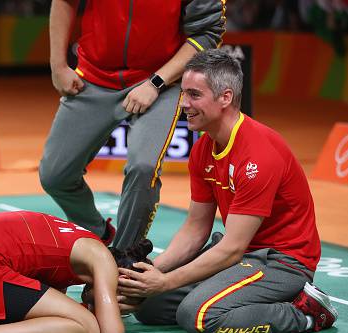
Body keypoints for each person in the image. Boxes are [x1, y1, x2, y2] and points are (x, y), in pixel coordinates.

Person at [117, 49, 338, 333]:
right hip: (242, 256)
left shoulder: (258, 155)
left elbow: (233, 247)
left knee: (198, 317)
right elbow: (196, 228)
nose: (184, 104)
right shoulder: (203, 149)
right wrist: (150, 274)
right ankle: (240, 295)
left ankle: (306, 313)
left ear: (225, 97)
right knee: (148, 308)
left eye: (194, 95)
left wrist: (166, 281)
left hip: (281, 261)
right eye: (183, 94)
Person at [39, 0, 226, 250]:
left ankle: (124, 256)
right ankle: (98, 235)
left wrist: (156, 83)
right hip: (93, 78)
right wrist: (58, 65)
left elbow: (207, 33)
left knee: (143, 168)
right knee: (55, 175)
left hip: (162, 83)